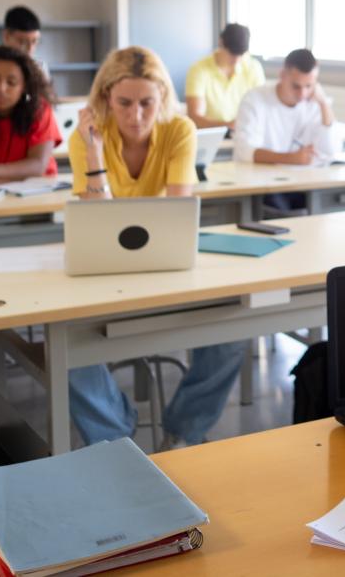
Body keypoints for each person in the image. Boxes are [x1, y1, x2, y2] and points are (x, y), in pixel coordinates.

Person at [67, 46, 246, 449]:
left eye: (147, 103)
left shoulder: (179, 129)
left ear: (162, 96)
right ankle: (116, 439)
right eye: (124, 103)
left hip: (164, 266)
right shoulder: (88, 138)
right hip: (103, 272)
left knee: (232, 335)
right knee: (66, 352)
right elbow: (100, 224)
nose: (136, 115)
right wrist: (94, 154)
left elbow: (177, 215)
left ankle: (183, 431)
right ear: (106, 98)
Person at [234, 48, 341, 166]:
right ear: (282, 75)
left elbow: (331, 152)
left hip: (299, 175)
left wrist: (324, 104)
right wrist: (290, 158)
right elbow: (245, 151)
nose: (302, 94)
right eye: (296, 86)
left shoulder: (315, 103)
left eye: (309, 86)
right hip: (257, 175)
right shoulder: (254, 99)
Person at [0, 45, 60, 184]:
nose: (1, 89)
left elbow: (38, 165)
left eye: (11, 82)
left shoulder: (40, 110)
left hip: (38, 188)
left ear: (25, 86)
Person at [185, 22, 264, 130]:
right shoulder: (199, 70)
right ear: (221, 43)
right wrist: (227, 125)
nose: (236, 60)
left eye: (241, 54)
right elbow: (195, 118)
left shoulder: (253, 68)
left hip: (246, 132)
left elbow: (261, 108)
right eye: (232, 54)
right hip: (212, 134)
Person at [1, 5, 50, 81]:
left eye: (34, 41)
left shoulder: (40, 68)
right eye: (23, 42)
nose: (30, 49)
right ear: (6, 36)